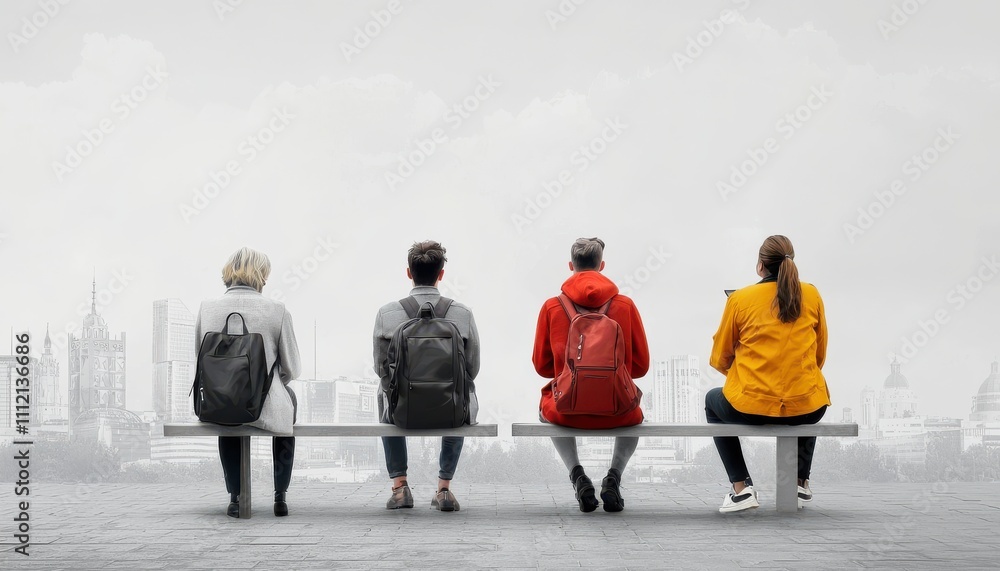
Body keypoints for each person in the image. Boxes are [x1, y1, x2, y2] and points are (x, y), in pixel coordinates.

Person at [707, 235, 830, 513]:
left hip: (751, 408)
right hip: (807, 409)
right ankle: (799, 482)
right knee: (809, 394)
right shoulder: (812, 294)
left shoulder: (739, 299)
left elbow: (719, 358)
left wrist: (745, 375)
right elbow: (819, 356)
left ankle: (741, 489)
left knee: (711, 401)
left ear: (760, 265)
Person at [532, 237, 650, 513]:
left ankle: (578, 476)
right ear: (602, 266)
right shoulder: (625, 305)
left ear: (571, 265)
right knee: (636, 412)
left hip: (566, 411)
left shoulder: (551, 306)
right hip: (619, 410)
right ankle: (613, 477)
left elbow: (541, 366)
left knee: (545, 407)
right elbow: (641, 367)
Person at [373, 240, 481, 512]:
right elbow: (472, 368)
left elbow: (380, 368)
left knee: (382, 392)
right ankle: (444, 489)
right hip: (449, 409)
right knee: (463, 390)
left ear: (409, 273)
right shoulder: (462, 313)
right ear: (441, 274)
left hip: (401, 410)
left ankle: (400, 487)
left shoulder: (387, 313)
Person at [195, 247, 302, 518]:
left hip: (218, 402)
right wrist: (273, 383)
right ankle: (280, 495)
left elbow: (199, 358)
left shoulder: (207, 308)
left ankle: (236, 496)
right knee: (289, 401)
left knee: (228, 406)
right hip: (265, 405)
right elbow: (292, 368)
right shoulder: (277, 310)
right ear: (261, 275)